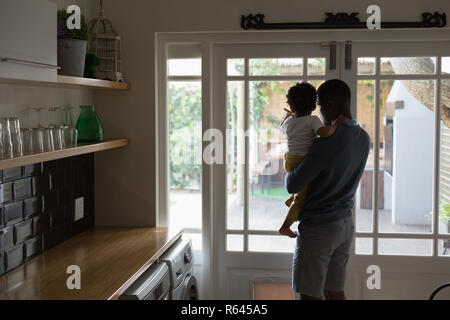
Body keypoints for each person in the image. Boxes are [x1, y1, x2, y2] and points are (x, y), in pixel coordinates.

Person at [285, 79, 370, 300]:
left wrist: (292, 158)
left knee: (310, 295)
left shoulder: (328, 142)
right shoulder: (363, 137)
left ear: (330, 105)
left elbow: (292, 184)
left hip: (319, 228)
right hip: (345, 224)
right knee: (334, 291)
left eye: (320, 106)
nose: (319, 112)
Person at [279, 82, 346, 238]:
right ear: (314, 106)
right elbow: (324, 133)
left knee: (303, 186)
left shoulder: (288, 122)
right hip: (302, 160)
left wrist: (289, 115)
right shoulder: (312, 120)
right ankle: (285, 226)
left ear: (292, 107)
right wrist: (336, 125)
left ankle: (291, 199)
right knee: (303, 196)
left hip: (289, 159)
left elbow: (283, 126)